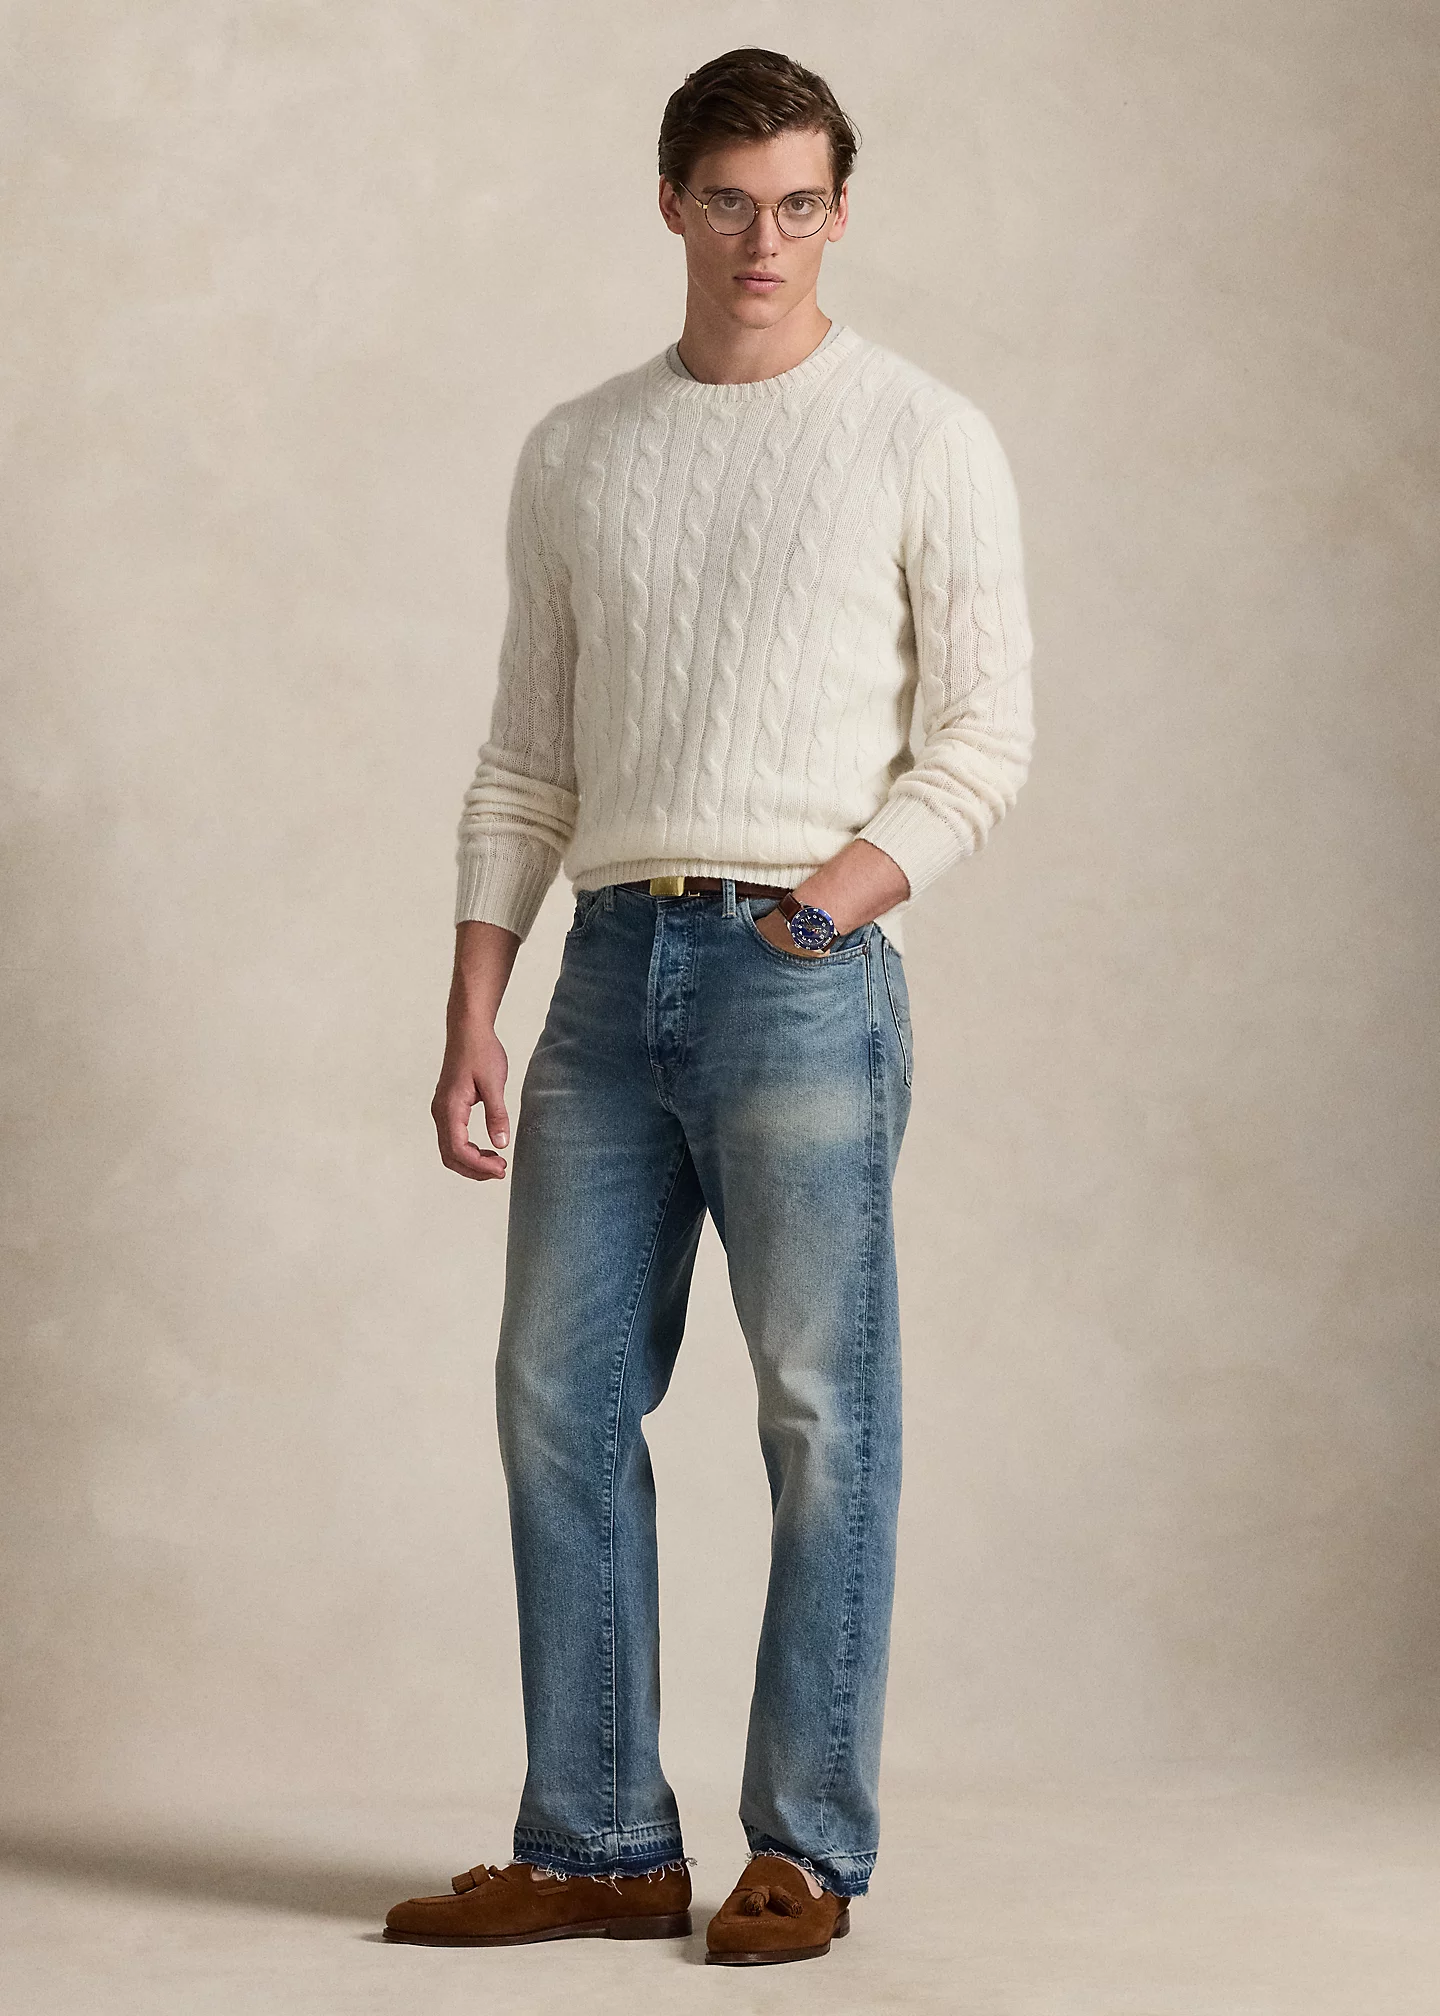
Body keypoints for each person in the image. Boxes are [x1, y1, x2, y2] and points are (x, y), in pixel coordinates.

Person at [382, 44, 1034, 1968]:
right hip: (603, 973)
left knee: (823, 1411)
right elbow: (527, 759)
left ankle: (805, 1848)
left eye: (802, 204)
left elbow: (983, 738)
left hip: (800, 975)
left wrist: (823, 913)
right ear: (670, 201)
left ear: (840, 212)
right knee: (556, 1400)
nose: (767, 239)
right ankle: (598, 1839)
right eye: (733, 201)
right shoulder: (577, 450)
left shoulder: (922, 434)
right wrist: (477, 1004)